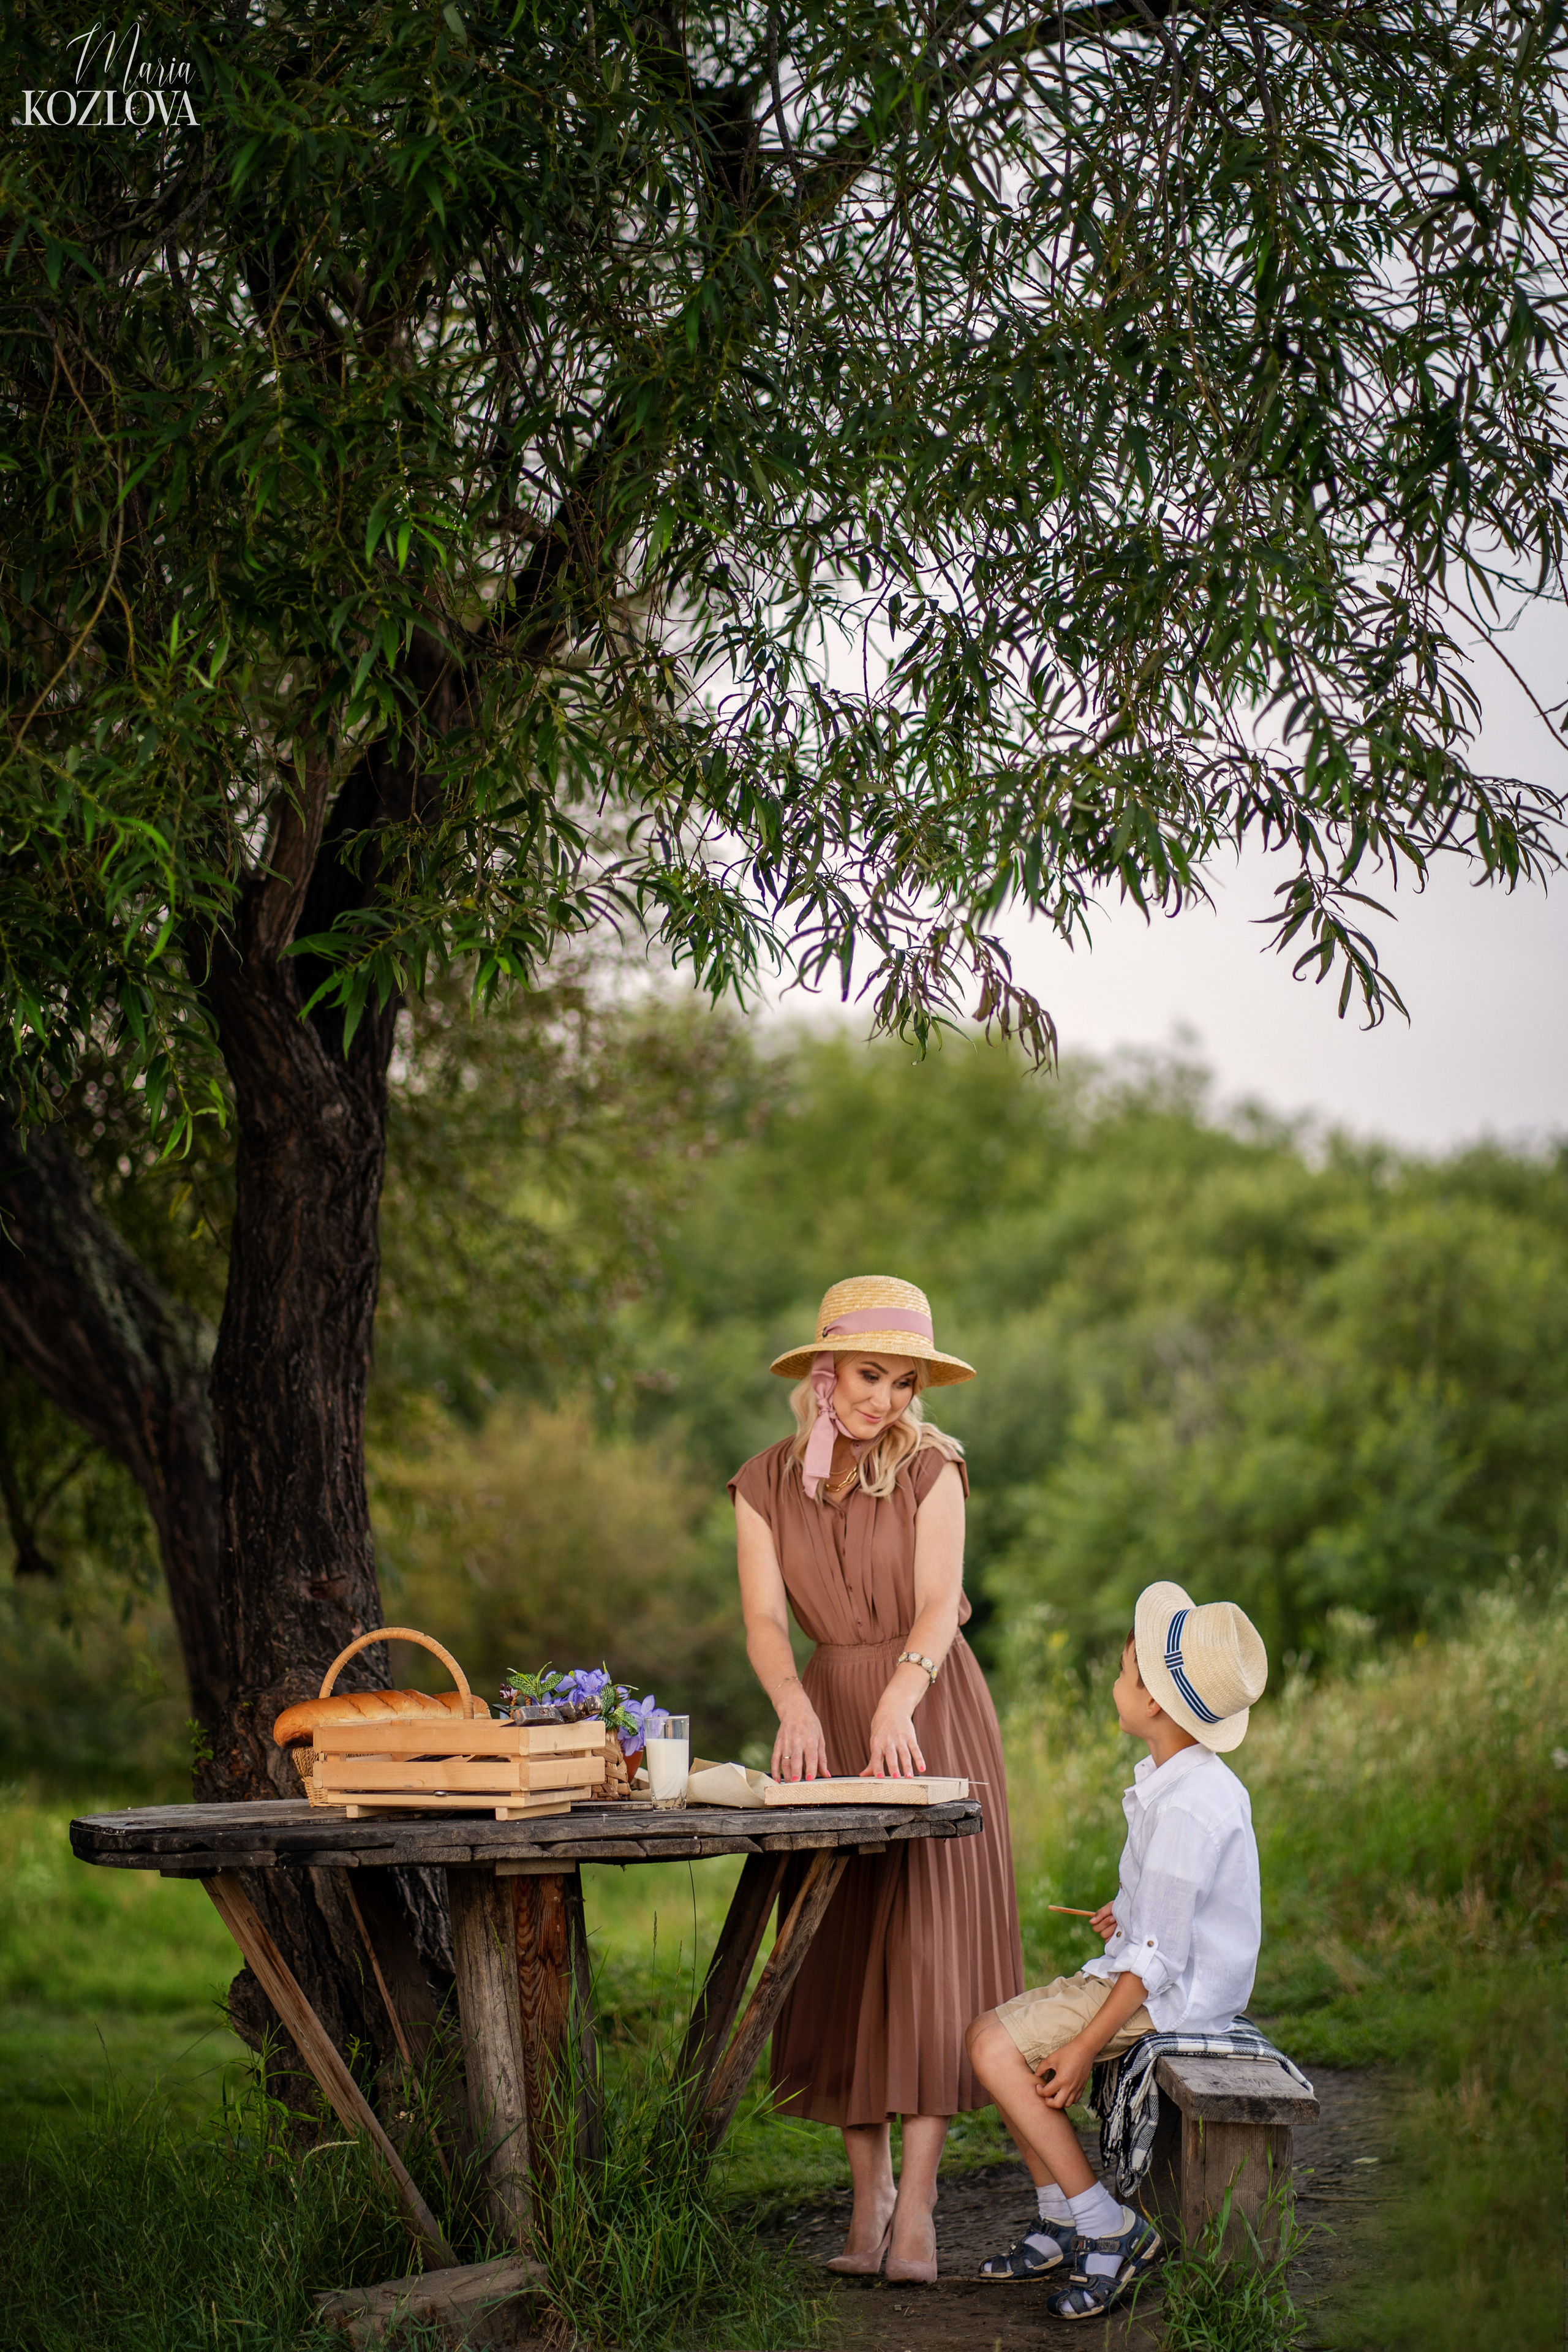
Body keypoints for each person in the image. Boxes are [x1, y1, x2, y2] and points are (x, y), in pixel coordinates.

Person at [729, 1275, 1023, 2283]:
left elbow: (940, 1604)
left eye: (904, 1382)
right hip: (827, 1712)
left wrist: (903, 1697)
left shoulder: (935, 1468)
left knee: (930, 1950)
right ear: (823, 1369)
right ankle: (871, 2199)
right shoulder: (764, 1481)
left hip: (929, 1707)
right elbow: (767, 1622)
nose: (885, 1399)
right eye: (868, 1374)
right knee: (844, 1950)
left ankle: (924, 2210)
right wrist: (795, 1707)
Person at [964, 1580, 1268, 2322]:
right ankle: (1061, 2217)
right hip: (1157, 1973)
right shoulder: (1186, 1784)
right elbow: (1168, 1914)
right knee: (994, 2039)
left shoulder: (1187, 1808)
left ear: (1155, 1706)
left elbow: (1157, 1959)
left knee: (994, 2051)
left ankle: (1109, 2225)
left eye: (1126, 1673)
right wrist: (1126, 1913)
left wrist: (1084, 2047)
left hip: (1168, 1996)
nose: (1115, 1682)